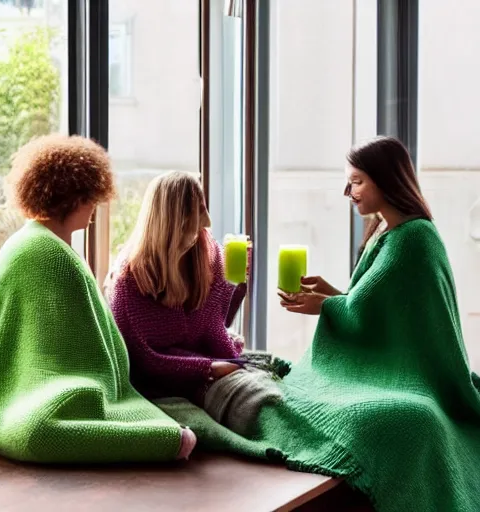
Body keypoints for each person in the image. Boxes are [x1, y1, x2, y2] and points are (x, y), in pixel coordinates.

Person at [158, 137, 480, 512]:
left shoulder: (415, 238)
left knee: (409, 419)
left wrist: (326, 306)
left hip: (412, 375)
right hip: (373, 364)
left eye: (357, 181)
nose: (348, 191)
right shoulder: (385, 232)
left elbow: (390, 318)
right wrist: (331, 296)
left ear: (386, 179)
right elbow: (378, 304)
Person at [0, 134, 195, 463]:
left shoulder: (25, 242)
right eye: (89, 197)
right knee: (45, 429)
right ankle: (168, 440)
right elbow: (70, 351)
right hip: (34, 399)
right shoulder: (50, 254)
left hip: (0, 400)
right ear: (70, 198)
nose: (94, 207)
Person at [107, 171, 247, 404]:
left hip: (215, 372)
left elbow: (220, 321)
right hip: (162, 388)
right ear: (174, 219)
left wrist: (240, 284)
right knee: (252, 397)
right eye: (199, 211)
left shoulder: (209, 255)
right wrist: (208, 368)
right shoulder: (128, 280)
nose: (208, 223)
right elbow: (142, 359)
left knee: (265, 388)